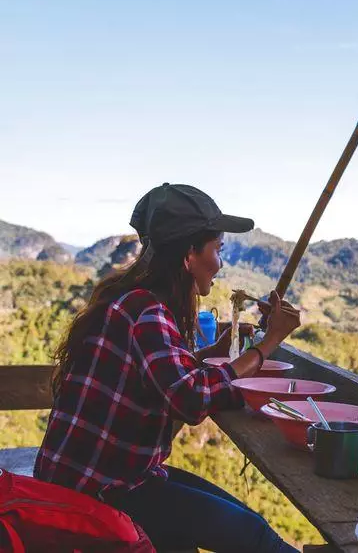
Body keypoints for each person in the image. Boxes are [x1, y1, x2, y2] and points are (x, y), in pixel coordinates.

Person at [35, 183, 302, 553]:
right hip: (98, 491)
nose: (219, 263)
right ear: (189, 254)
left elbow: (160, 375)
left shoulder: (132, 300)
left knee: (231, 524)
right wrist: (267, 344)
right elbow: (190, 399)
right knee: (252, 535)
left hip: (90, 477)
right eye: (217, 249)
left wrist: (214, 351)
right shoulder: (148, 311)